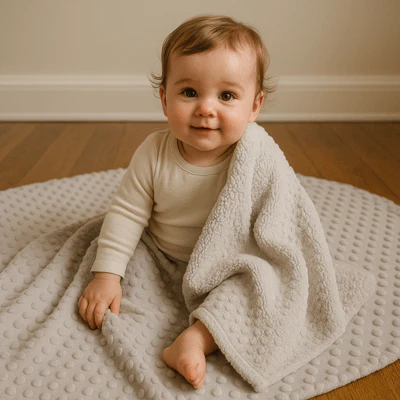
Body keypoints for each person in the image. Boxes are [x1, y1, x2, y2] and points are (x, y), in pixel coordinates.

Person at [78, 14, 275, 390]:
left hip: (229, 263)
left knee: (259, 290)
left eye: (226, 96)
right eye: (189, 92)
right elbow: (126, 212)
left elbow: (278, 216)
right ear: (164, 99)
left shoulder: (256, 157)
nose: (206, 109)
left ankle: (196, 339)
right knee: (130, 278)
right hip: (163, 254)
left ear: (254, 106)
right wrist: (107, 276)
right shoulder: (154, 153)